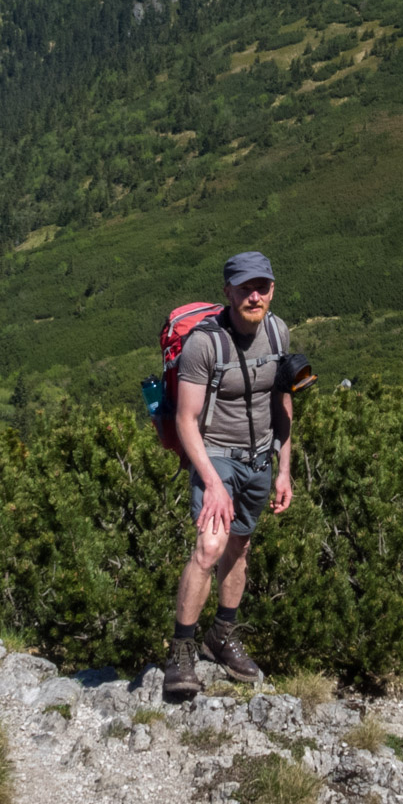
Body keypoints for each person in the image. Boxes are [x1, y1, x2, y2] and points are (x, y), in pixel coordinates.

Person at [162, 251, 296, 697]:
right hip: (215, 453)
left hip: (259, 459)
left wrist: (284, 469)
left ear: (272, 289)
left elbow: (283, 404)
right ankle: (182, 651)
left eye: (262, 286)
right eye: (244, 288)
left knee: (239, 545)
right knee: (210, 546)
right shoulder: (205, 344)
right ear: (228, 292)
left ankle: (222, 635)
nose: (254, 295)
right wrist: (214, 483)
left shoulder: (278, 332)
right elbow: (186, 420)